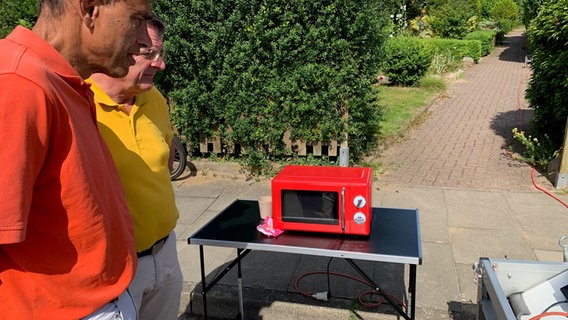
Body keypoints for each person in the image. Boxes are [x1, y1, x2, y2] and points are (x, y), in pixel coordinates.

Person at [0, 0, 153, 319]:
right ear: (90, 7)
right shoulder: (18, 83)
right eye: (137, 19)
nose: (145, 39)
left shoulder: (61, 82)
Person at [88, 13, 183, 320]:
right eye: (148, 53)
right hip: (117, 269)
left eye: (161, 54)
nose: (160, 64)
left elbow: (166, 160)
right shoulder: (80, 102)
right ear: (115, 48)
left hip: (165, 252)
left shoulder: (153, 97)